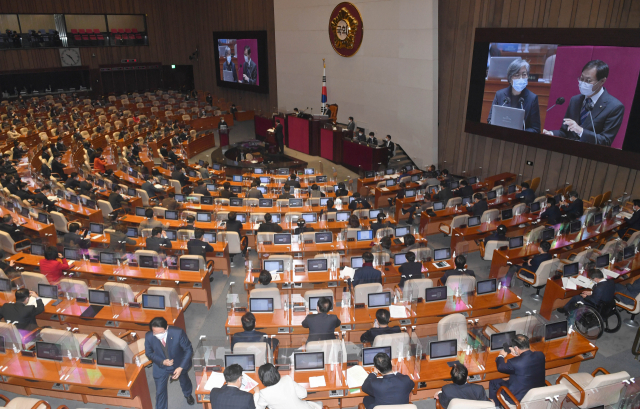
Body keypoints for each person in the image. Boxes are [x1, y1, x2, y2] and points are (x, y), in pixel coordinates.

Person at [542, 60, 624, 146]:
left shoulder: (614, 107)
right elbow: (565, 132)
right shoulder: (575, 100)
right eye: (581, 79)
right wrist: (550, 133)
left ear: (602, 81)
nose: (583, 83)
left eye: (588, 81)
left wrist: (581, 131)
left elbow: (605, 141)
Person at [145, 317, 195, 408]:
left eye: (160, 332)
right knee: (160, 392)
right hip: (160, 366)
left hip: (179, 363)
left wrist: (180, 368)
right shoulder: (149, 336)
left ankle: (188, 394)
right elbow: (148, 353)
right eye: (154, 332)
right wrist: (162, 361)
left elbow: (188, 350)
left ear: (166, 328)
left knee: (184, 380)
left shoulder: (177, 333)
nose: (157, 334)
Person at [489, 334, 545, 405]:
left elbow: (500, 367)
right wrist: (518, 353)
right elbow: (527, 360)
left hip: (517, 398)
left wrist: (501, 355)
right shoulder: (540, 355)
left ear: (516, 347)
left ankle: (495, 406)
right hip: (538, 392)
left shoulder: (514, 362)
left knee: (493, 382)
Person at [487, 59, 541, 133]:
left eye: (524, 74)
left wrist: (518, 132)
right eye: (517, 75)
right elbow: (490, 120)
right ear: (510, 78)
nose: (521, 78)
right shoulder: (499, 95)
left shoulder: (532, 98)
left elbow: (536, 129)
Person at [254, 363, 321, 409]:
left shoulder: (264, 393)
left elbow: (259, 408)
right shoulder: (287, 379)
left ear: (262, 378)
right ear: (276, 372)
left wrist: (257, 393)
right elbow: (303, 394)